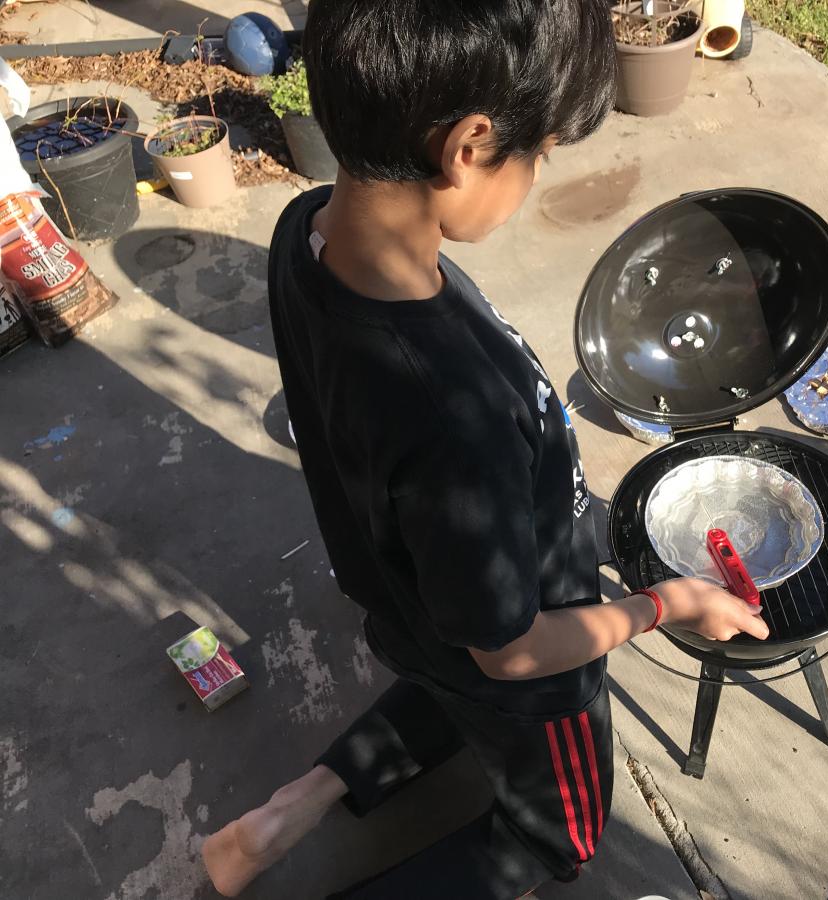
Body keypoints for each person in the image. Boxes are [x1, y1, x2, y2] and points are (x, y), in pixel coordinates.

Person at [202, 1, 769, 896]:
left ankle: (290, 811)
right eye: (539, 151)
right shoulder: (450, 410)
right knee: (556, 838)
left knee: (449, 676)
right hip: (524, 650)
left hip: (413, 598)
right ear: (466, 147)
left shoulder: (307, 227)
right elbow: (510, 655)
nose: (538, 171)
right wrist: (666, 605)